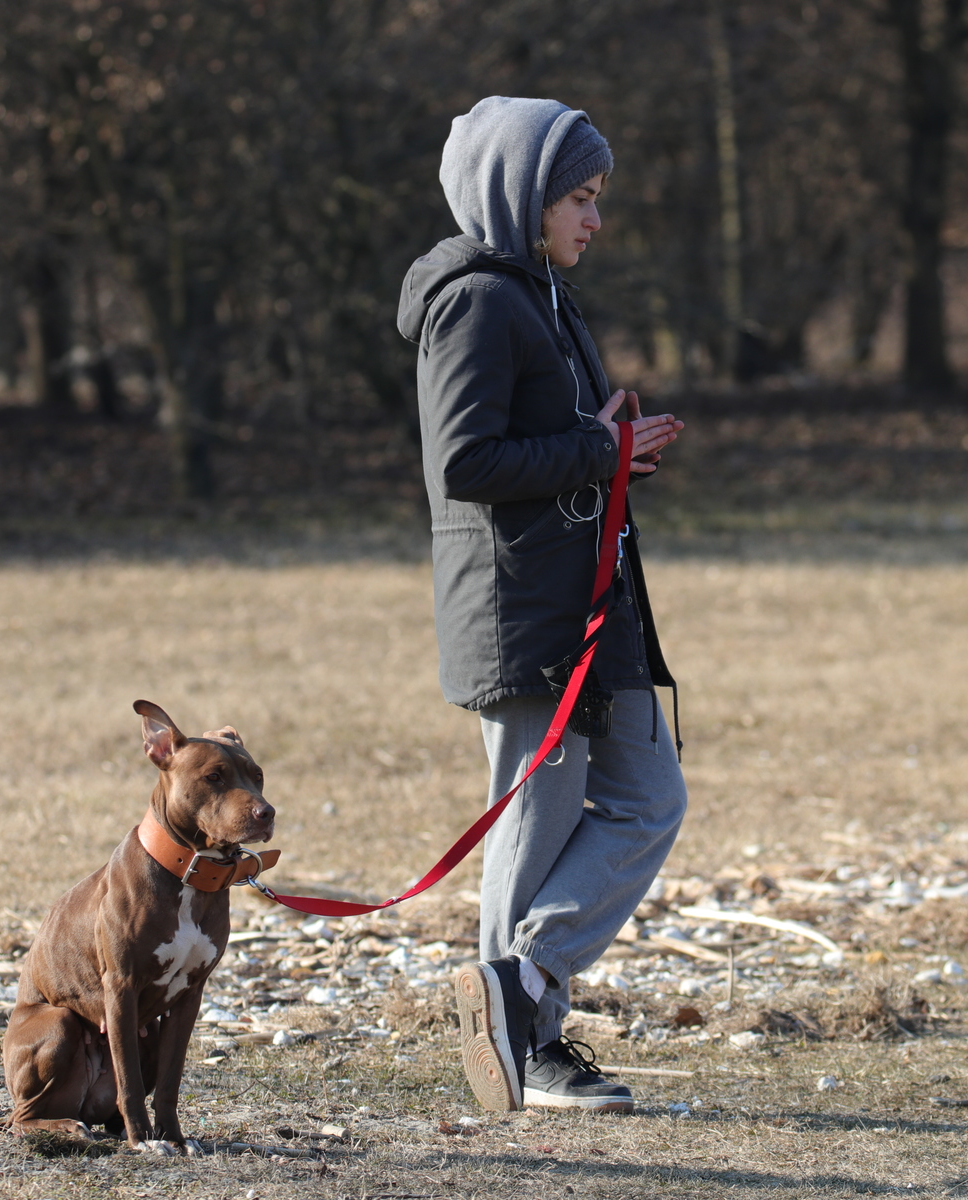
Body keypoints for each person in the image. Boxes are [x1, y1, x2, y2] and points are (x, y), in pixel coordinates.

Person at [396, 96, 687, 1114]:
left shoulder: (546, 297)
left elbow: (550, 445)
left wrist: (609, 448)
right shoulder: (476, 301)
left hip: (590, 603)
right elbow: (465, 460)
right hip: (522, 613)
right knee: (535, 823)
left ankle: (516, 992)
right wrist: (596, 450)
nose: (594, 219)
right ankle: (529, 1042)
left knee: (652, 796)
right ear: (522, 194)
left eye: (597, 197)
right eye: (579, 197)